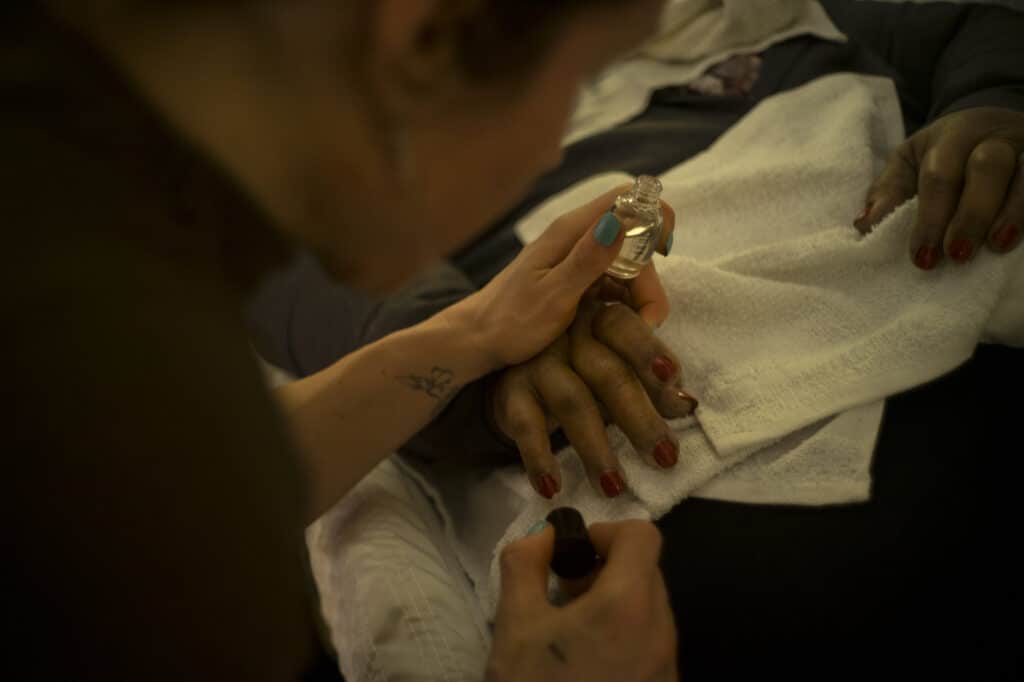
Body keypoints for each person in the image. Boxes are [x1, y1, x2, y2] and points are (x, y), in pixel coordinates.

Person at [3, 1, 687, 681]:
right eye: (584, 78)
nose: (551, 152)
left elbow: (166, 491)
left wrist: (474, 331)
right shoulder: (85, 343)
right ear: (427, 36)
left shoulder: (69, 157)